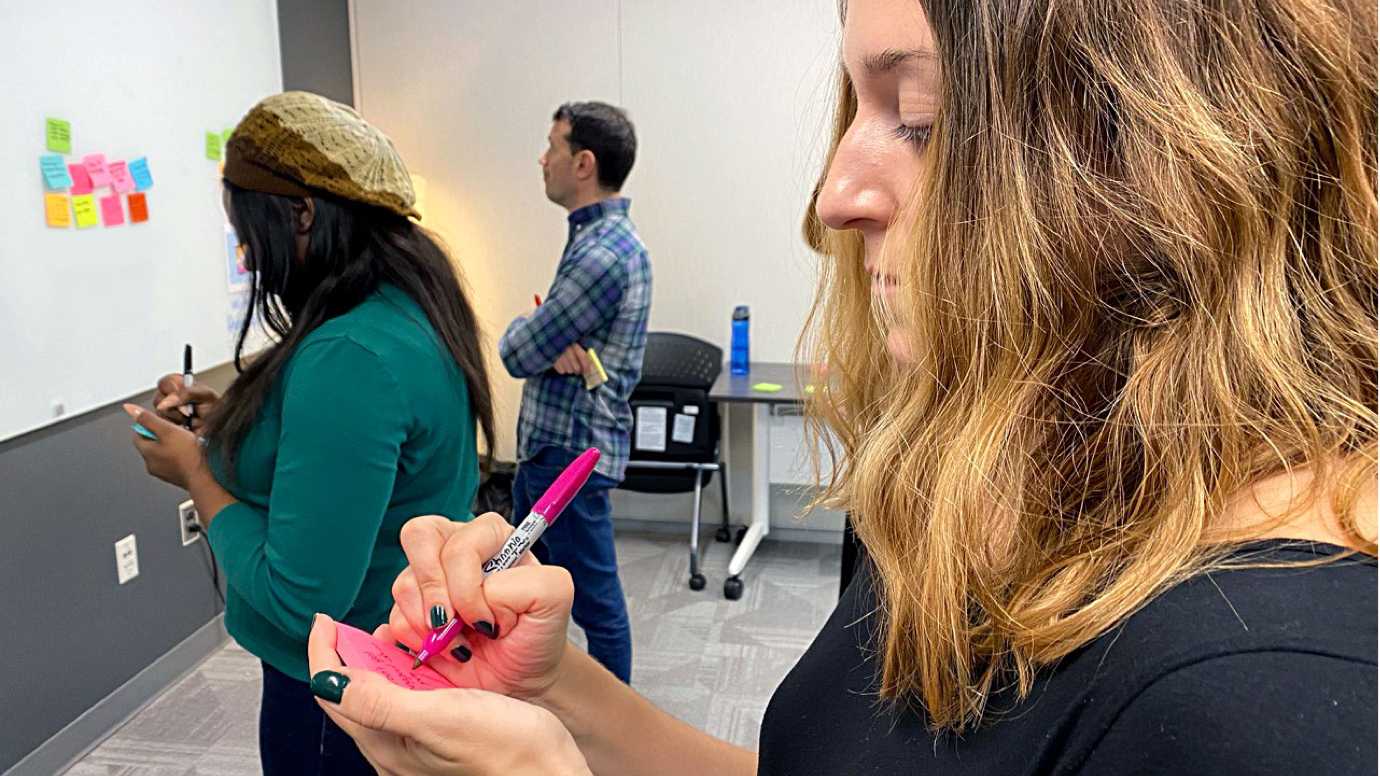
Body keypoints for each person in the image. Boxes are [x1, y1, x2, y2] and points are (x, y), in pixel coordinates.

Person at [306, 0, 1378, 772]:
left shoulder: (1273, 699)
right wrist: (562, 698)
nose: (834, 194)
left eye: (916, 116)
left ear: (1178, 152)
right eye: (858, 113)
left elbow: (528, 344)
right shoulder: (943, 489)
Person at [125, 91, 495, 776]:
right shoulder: (402, 307)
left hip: (341, 685)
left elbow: (301, 602)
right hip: (403, 654)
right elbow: (347, 450)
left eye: (249, 228)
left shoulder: (348, 354)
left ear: (301, 212)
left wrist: (197, 475)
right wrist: (231, 420)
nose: (245, 250)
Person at [493, 101, 651, 683]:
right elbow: (540, 344)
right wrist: (544, 338)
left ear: (583, 163)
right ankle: (555, 701)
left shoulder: (603, 254)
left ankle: (615, 736)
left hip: (568, 456)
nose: (543, 158)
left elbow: (516, 352)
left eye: (552, 146)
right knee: (533, 589)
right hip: (560, 451)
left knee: (595, 603)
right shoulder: (595, 241)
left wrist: (533, 336)